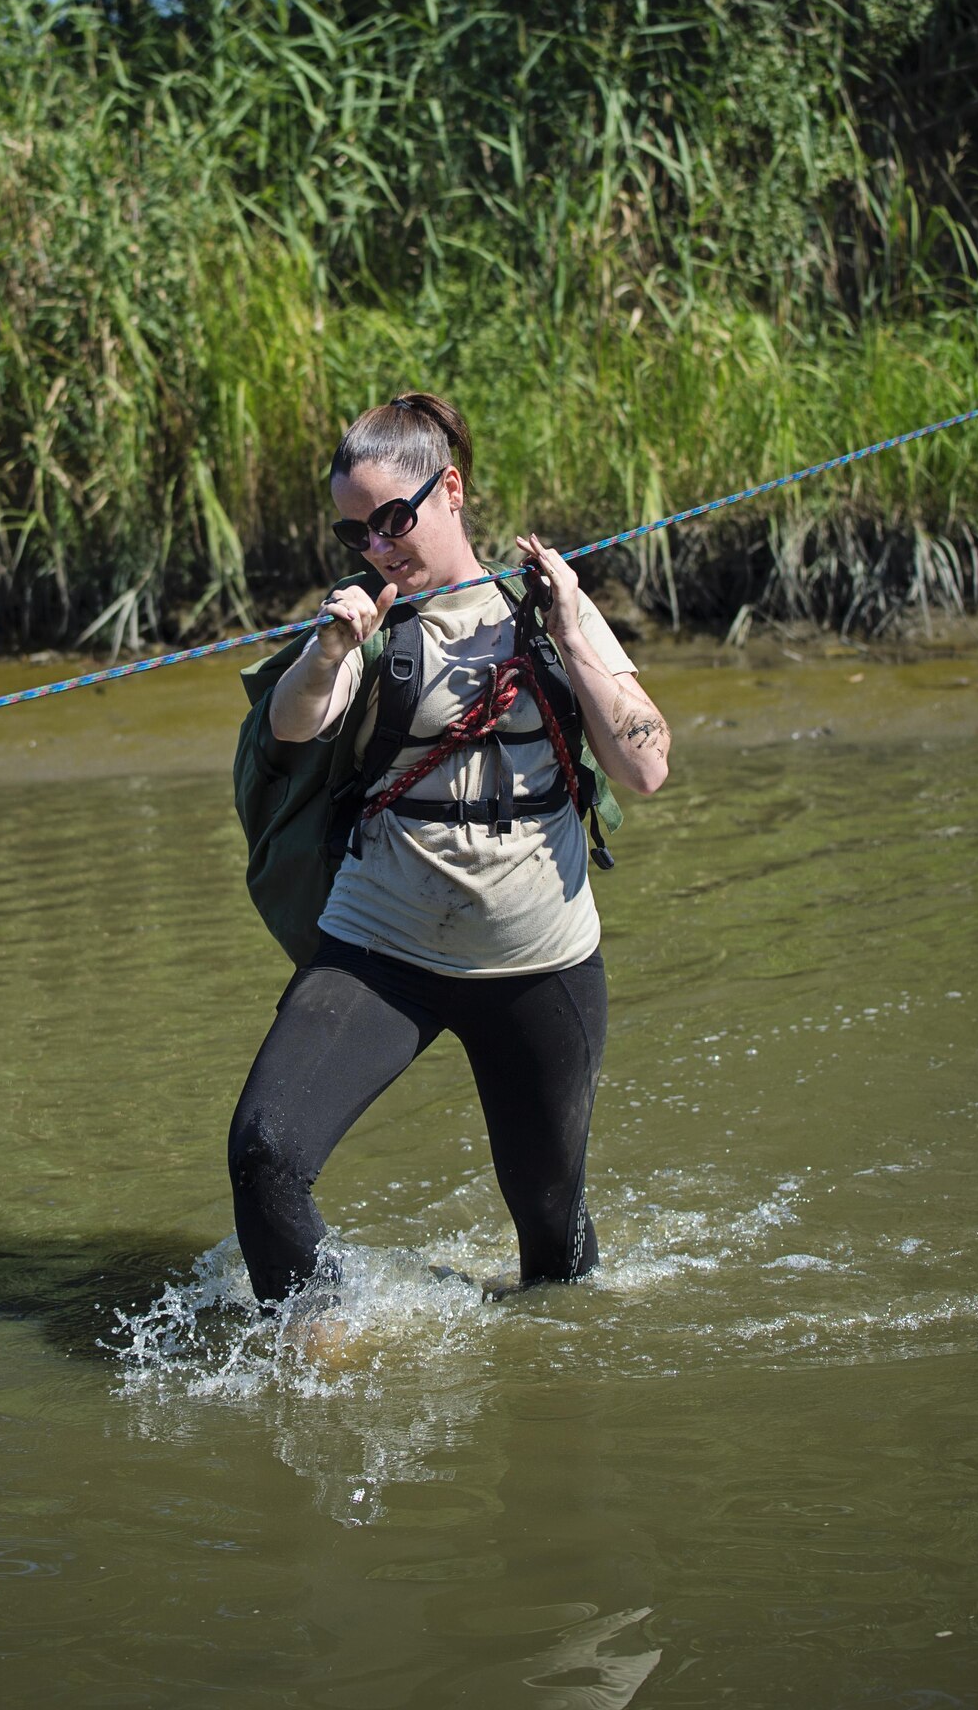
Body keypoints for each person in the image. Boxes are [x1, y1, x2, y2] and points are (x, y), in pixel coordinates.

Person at [228, 393, 671, 1307]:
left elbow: (646, 766)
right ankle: (320, 1343)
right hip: (381, 949)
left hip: (538, 957)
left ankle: (557, 1371)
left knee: (551, 1233)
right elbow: (294, 725)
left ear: (452, 490)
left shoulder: (552, 609)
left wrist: (569, 629)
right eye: (355, 533)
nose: (377, 547)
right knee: (264, 1151)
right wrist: (328, 648)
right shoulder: (368, 623)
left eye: (392, 520)